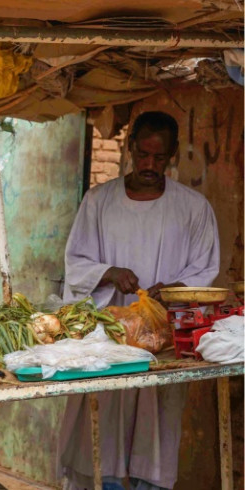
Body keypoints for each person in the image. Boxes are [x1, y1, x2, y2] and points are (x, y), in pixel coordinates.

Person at [59, 111, 220, 490]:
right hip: (108, 340)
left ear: (174, 154)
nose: (150, 165)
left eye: (160, 157)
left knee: (156, 419)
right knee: (104, 420)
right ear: (130, 147)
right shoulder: (98, 201)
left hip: (162, 342)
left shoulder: (194, 208)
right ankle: (105, 481)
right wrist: (109, 273)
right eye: (143, 155)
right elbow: (75, 263)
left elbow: (205, 267)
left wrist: (176, 289)